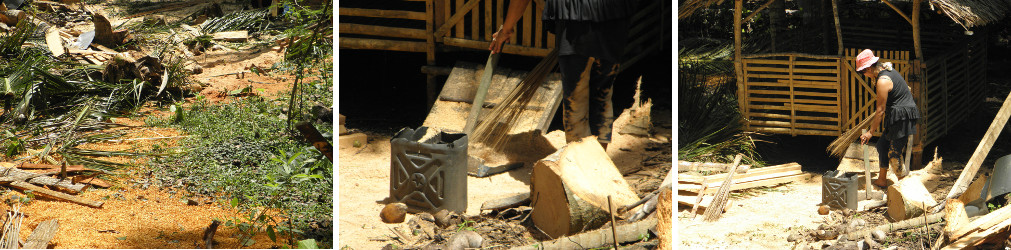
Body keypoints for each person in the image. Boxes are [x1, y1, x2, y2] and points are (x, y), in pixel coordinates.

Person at [489, 0, 637, 150]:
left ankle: (579, 164)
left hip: (575, 24)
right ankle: (597, 166)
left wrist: (506, 29)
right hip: (614, 22)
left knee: (576, 98)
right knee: (603, 95)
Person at [856, 49, 921, 187]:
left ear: (868, 68)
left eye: (862, 72)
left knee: (894, 154)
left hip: (903, 117)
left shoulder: (883, 80)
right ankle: (882, 180)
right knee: (882, 146)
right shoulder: (886, 69)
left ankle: (905, 186)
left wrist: (870, 132)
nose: (864, 75)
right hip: (896, 115)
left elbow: (880, 111)